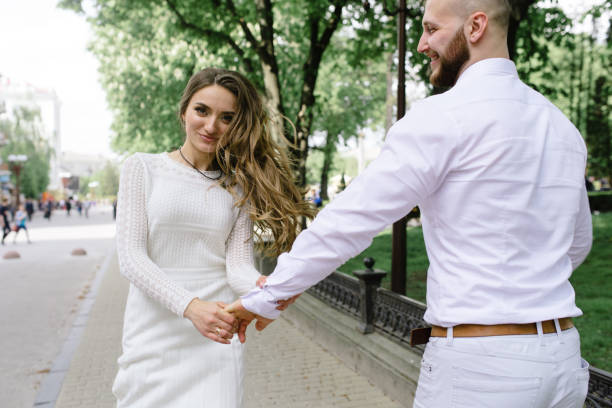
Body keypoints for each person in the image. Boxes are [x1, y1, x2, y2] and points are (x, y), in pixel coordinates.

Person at [227, 1, 593, 407]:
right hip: (562, 360)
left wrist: (270, 294)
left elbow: (352, 220)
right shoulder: (562, 126)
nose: (421, 44)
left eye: (432, 29)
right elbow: (576, 244)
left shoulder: (442, 117)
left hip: (482, 370)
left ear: (475, 26)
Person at [113, 67, 314, 407]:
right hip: (153, 332)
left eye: (227, 117)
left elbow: (236, 266)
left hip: (218, 333)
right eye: (202, 110)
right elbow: (131, 258)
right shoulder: (142, 168)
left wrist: (266, 290)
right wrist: (189, 307)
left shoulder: (238, 186)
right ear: (184, 111)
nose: (211, 126)